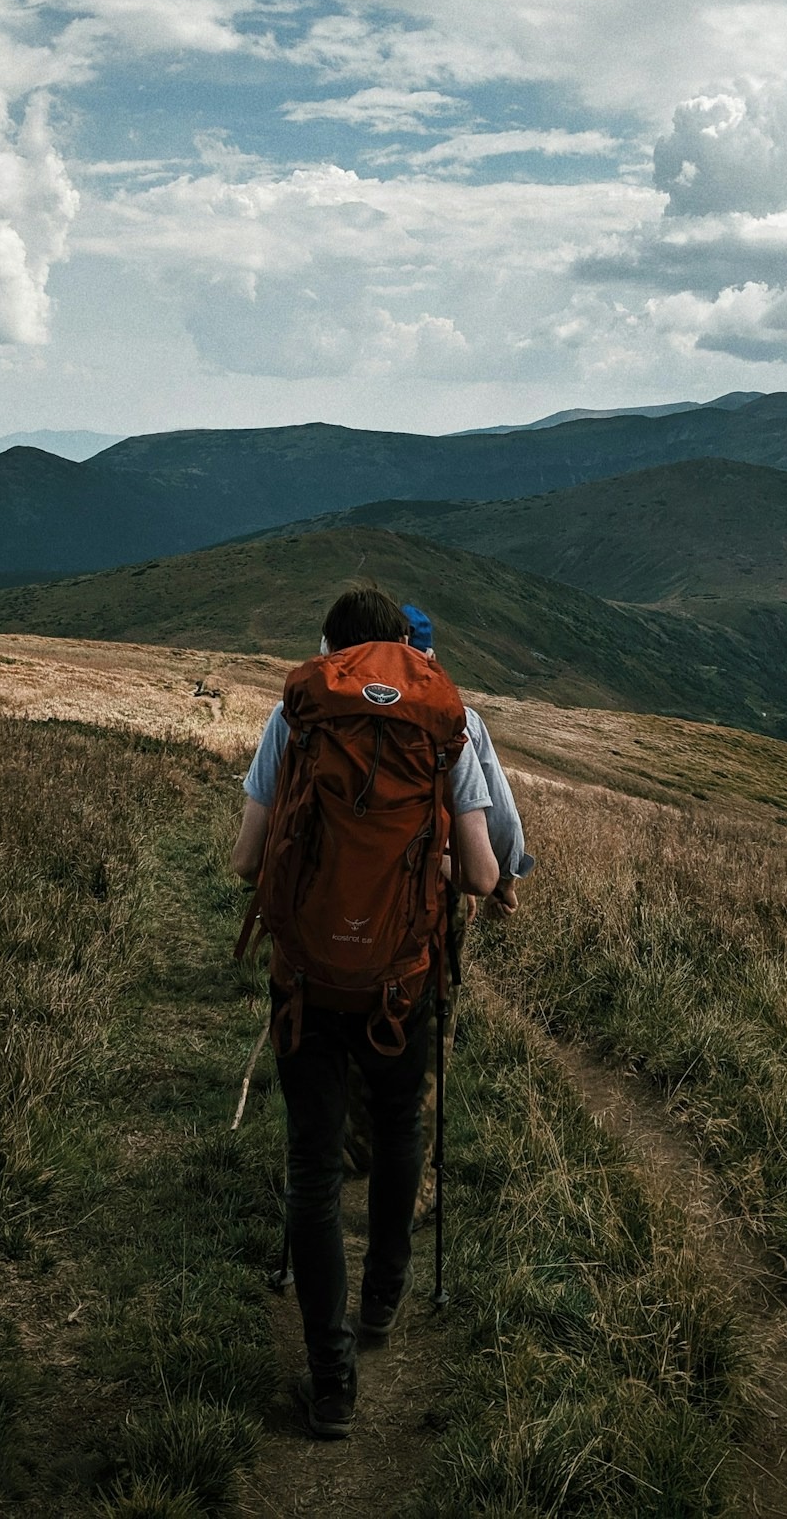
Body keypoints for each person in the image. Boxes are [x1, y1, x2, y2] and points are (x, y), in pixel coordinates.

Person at [231, 586, 500, 1440]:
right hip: (400, 982)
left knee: (314, 1168)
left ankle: (331, 1376)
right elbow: (485, 877)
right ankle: (383, 1299)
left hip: (308, 983)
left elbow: (246, 860)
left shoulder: (299, 716)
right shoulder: (439, 724)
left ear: (331, 649)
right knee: (395, 1132)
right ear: (404, 652)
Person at [343, 602, 534, 1210]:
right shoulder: (456, 719)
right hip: (427, 901)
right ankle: (415, 1183)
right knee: (425, 1034)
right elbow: (500, 829)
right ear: (425, 653)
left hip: (341, 903)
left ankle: (357, 1139)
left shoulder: (317, 715)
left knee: (344, 1008)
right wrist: (504, 881)